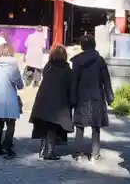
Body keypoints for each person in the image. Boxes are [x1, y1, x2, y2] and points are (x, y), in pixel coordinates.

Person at [71, 34, 114, 162]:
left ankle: (79, 153)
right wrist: (110, 96)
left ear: (82, 45)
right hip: (97, 95)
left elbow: (74, 81)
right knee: (96, 125)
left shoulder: (77, 61)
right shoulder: (100, 60)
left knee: (80, 125)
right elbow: (106, 79)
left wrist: (72, 97)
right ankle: (95, 154)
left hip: (81, 96)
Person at [29, 45, 73, 160]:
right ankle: (49, 152)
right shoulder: (66, 70)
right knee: (52, 127)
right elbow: (70, 87)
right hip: (57, 102)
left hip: (42, 100)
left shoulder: (48, 67)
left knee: (44, 125)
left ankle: (43, 150)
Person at [0, 43, 24, 158]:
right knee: (11, 123)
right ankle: (7, 145)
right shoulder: (13, 65)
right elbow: (19, 84)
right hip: (9, 97)